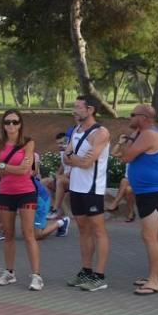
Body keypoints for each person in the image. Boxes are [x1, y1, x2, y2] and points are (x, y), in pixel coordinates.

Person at [113, 105, 158, 295]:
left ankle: (154, 281)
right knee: (153, 236)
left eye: (133, 115)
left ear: (144, 118)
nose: (129, 118)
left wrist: (126, 143)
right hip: (149, 192)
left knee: (149, 236)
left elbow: (127, 157)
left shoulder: (148, 134)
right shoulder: (142, 133)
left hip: (154, 193)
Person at [62, 95, 111, 292]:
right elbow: (67, 158)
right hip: (76, 187)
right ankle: (86, 270)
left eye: (78, 107)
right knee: (83, 229)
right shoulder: (76, 130)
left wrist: (75, 159)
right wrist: (75, 159)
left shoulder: (100, 133)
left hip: (92, 189)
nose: (75, 110)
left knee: (98, 230)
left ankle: (99, 275)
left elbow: (87, 162)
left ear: (90, 110)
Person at [0, 110, 43, 291]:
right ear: (3, 125)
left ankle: (36, 275)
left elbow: (25, 170)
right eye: (7, 122)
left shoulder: (28, 143)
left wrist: (4, 166)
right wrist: (12, 167)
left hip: (26, 192)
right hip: (6, 192)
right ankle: (9, 272)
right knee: (8, 235)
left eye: (14, 122)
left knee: (29, 234)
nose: (11, 126)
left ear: (20, 124)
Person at [46, 131, 73, 220]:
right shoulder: (62, 151)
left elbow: (75, 169)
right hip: (66, 178)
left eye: (62, 143)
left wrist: (59, 177)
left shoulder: (72, 151)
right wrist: (56, 174)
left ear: (68, 141)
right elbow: (63, 165)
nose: (60, 145)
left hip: (75, 181)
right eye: (58, 143)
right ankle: (51, 207)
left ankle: (55, 210)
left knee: (60, 181)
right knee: (44, 182)